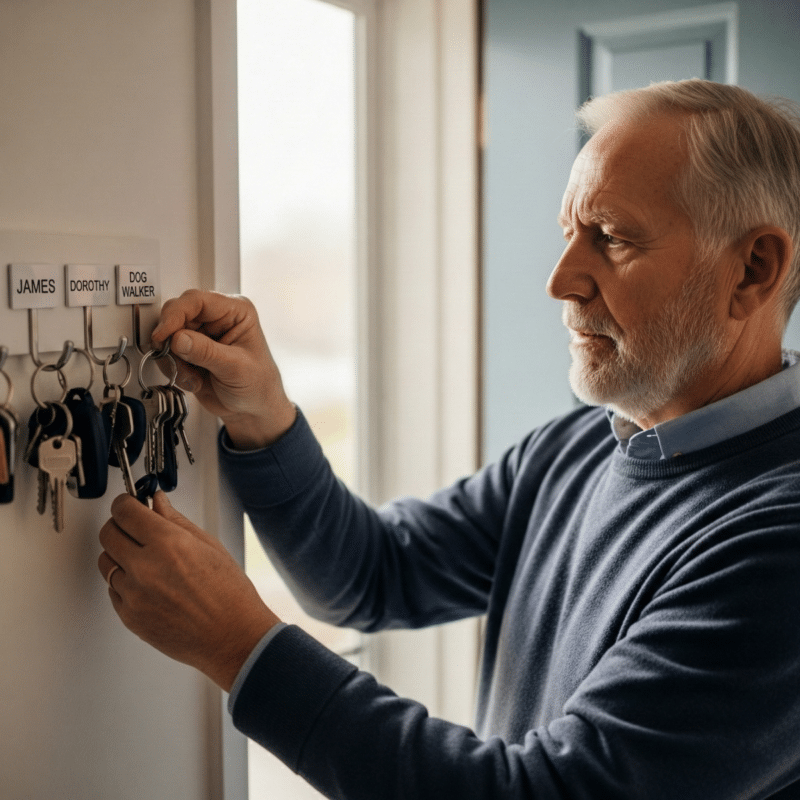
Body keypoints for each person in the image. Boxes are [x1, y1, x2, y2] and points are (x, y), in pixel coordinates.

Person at [98, 78, 800, 799]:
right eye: (569, 235)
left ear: (753, 270)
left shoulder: (781, 546)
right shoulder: (576, 450)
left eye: (612, 238)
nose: (561, 281)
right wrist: (262, 413)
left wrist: (239, 646)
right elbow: (371, 574)